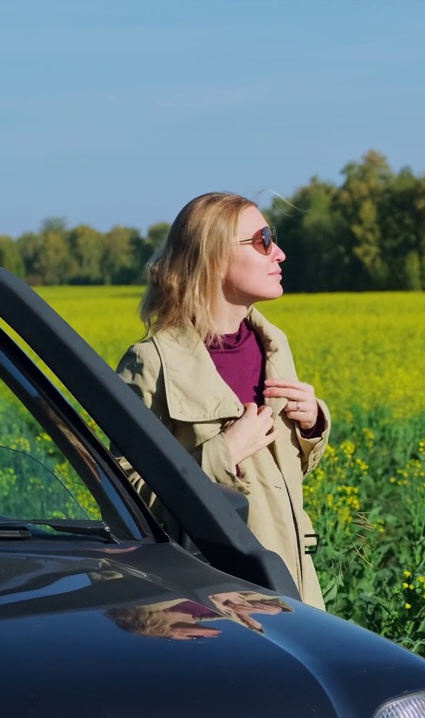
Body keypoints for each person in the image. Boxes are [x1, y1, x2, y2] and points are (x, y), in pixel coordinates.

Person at [115, 192, 329, 610]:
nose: (280, 253)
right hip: (213, 601)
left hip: (295, 589)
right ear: (213, 257)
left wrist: (313, 426)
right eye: (264, 240)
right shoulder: (152, 362)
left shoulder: (274, 344)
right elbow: (124, 497)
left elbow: (279, 476)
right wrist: (222, 454)